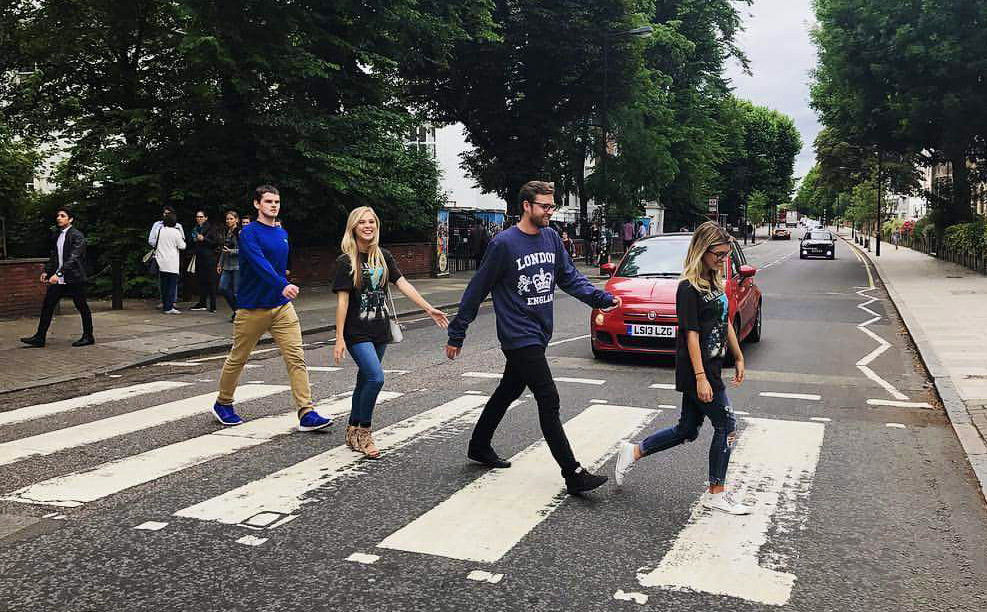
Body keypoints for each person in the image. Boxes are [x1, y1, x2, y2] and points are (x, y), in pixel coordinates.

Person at [446, 180, 622, 494]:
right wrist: (457, 332)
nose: (549, 212)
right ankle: (573, 473)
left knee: (509, 389)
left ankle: (479, 445)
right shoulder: (503, 244)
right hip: (518, 334)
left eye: (551, 206)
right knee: (548, 397)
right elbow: (477, 289)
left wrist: (602, 299)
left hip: (540, 332)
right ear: (526, 206)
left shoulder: (552, 238)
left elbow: (569, 278)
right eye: (544, 206)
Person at [614, 221, 750, 515]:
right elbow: (691, 334)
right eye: (718, 255)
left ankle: (634, 451)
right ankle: (716, 492)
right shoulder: (687, 288)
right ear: (702, 251)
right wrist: (701, 378)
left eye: (726, 255)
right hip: (698, 370)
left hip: (712, 365)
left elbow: (724, 320)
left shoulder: (715, 281)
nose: (722, 260)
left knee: (687, 429)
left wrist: (738, 356)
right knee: (726, 425)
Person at [211, 185, 333, 432]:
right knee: (238, 357)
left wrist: (282, 284)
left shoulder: (282, 232)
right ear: (257, 204)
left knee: (296, 358)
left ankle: (306, 412)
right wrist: (282, 284)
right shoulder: (248, 233)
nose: (274, 205)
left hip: (280, 308)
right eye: (268, 201)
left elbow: (279, 265)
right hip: (252, 308)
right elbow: (258, 264)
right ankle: (223, 403)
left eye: (277, 201)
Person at [333, 206, 449, 458]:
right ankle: (365, 431)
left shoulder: (383, 256)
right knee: (376, 378)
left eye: (372, 221)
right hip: (356, 331)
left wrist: (429, 309)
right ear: (353, 227)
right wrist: (339, 337)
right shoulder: (346, 262)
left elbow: (403, 284)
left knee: (364, 380)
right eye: (362, 222)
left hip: (380, 329)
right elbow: (342, 301)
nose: (368, 226)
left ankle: (352, 429)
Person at [20, 208, 94, 347]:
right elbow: (55, 256)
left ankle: (88, 336)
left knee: (82, 306)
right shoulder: (58, 235)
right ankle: (39, 338)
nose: (59, 218)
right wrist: (47, 271)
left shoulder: (77, 236)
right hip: (58, 279)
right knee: (47, 306)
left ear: (70, 219)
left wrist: (58, 273)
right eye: (58, 216)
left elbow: (74, 258)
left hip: (74, 278)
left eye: (63, 216)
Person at [149, 206, 184, 308]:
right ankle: (166, 303)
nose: (166, 215)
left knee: (169, 281)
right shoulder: (158, 226)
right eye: (165, 213)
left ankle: (171, 302)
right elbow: (182, 245)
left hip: (168, 258)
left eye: (168, 214)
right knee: (167, 281)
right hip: (166, 257)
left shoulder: (175, 227)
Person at [155, 212, 186, 314]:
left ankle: (165, 305)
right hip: (172, 263)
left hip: (161, 262)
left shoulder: (159, 231)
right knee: (171, 286)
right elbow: (182, 246)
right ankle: (169, 307)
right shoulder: (176, 232)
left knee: (164, 286)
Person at [189, 209, 219, 312]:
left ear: (206, 218)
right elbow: (192, 242)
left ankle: (213, 305)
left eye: (201, 217)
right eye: (197, 217)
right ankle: (202, 303)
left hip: (210, 258)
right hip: (199, 257)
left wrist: (204, 239)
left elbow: (216, 242)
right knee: (201, 281)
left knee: (211, 281)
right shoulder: (195, 229)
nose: (199, 219)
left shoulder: (211, 228)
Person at [218, 209, 240, 321]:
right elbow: (224, 249)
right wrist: (220, 263)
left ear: (236, 220)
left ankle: (239, 313)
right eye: (227, 219)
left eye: (231, 219)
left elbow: (244, 250)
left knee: (237, 292)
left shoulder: (239, 232)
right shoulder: (227, 232)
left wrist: (231, 251)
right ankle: (237, 310)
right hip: (226, 265)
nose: (229, 221)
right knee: (222, 287)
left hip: (237, 266)